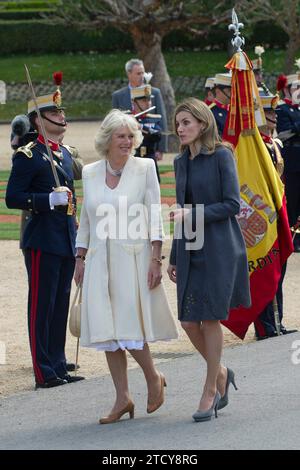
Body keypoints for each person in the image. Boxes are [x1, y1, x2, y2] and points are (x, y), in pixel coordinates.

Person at [74, 109, 178, 424]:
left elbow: (154, 215)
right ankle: (122, 398)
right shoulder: (90, 172)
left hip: (133, 259)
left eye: (131, 135)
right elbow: (86, 221)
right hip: (98, 262)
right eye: (121, 136)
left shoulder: (145, 168)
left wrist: (155, 258)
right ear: (107, 139)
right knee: (108, 331)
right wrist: (79, 258)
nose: (128, 141)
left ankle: (152, 377)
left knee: (130, 327)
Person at [167, 98, 251, 422]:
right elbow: (180, 211)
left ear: (202, 123)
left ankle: (210, 389)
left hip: (219, 248)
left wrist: (194, 213)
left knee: (210, 318)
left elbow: (232, 204)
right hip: (189, 248)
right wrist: (174, 254)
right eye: (178, 123)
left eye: (187, 122)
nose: (180, 128)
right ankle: (222, 372)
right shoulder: (179, 162)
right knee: (189, 321)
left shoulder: (222, 155)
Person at [5, 79, 84, 388]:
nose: (62, 118)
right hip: (41, 239)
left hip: (64, 236)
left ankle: (58, 362)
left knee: (60, 302)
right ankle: (44, 371)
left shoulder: (63, 154)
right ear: (39, 119)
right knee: (42, 304)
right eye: (55, 113)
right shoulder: (27, 155)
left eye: (62, 112)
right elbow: (13, 197)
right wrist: (46, 200)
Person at [254, 93, 297, 339]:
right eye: (268, 114)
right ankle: (265, 325)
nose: (273, 118)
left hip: (280, 210)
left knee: (279, 268)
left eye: (274, 113)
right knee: (267, 269)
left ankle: (277, 320)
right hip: (265, 214)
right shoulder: (255, 146)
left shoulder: (275, 143)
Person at [112, 58, 168, 159]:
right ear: (129, 74)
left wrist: (161, 148)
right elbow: (114, 125)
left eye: (143, 73)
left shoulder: (154, 93)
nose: (142, 76)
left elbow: (162, 121)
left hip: (150, 147)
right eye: (138, 73)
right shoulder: (118, 96)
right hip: (128, 149)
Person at [276, 72, 300, 252]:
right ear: (286, 89)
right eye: (296, 87)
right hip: (292, 159)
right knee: (292, 199)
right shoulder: (281, 109)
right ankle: (293, 238)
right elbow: (284, 133)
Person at [130, 82, 162, 181]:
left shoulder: (154, 119)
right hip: (133, 160)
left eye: (149, 100)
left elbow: (157, 135)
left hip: (150, 160)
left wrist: (141, 127)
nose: (148, 103)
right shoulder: (126, 118)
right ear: (134, 102)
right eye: (144, 100)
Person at [209, 73, 232, 137]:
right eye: (229, 90)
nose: (233, 94)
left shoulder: (234, 109)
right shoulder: (210, 112)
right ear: (218, 91)